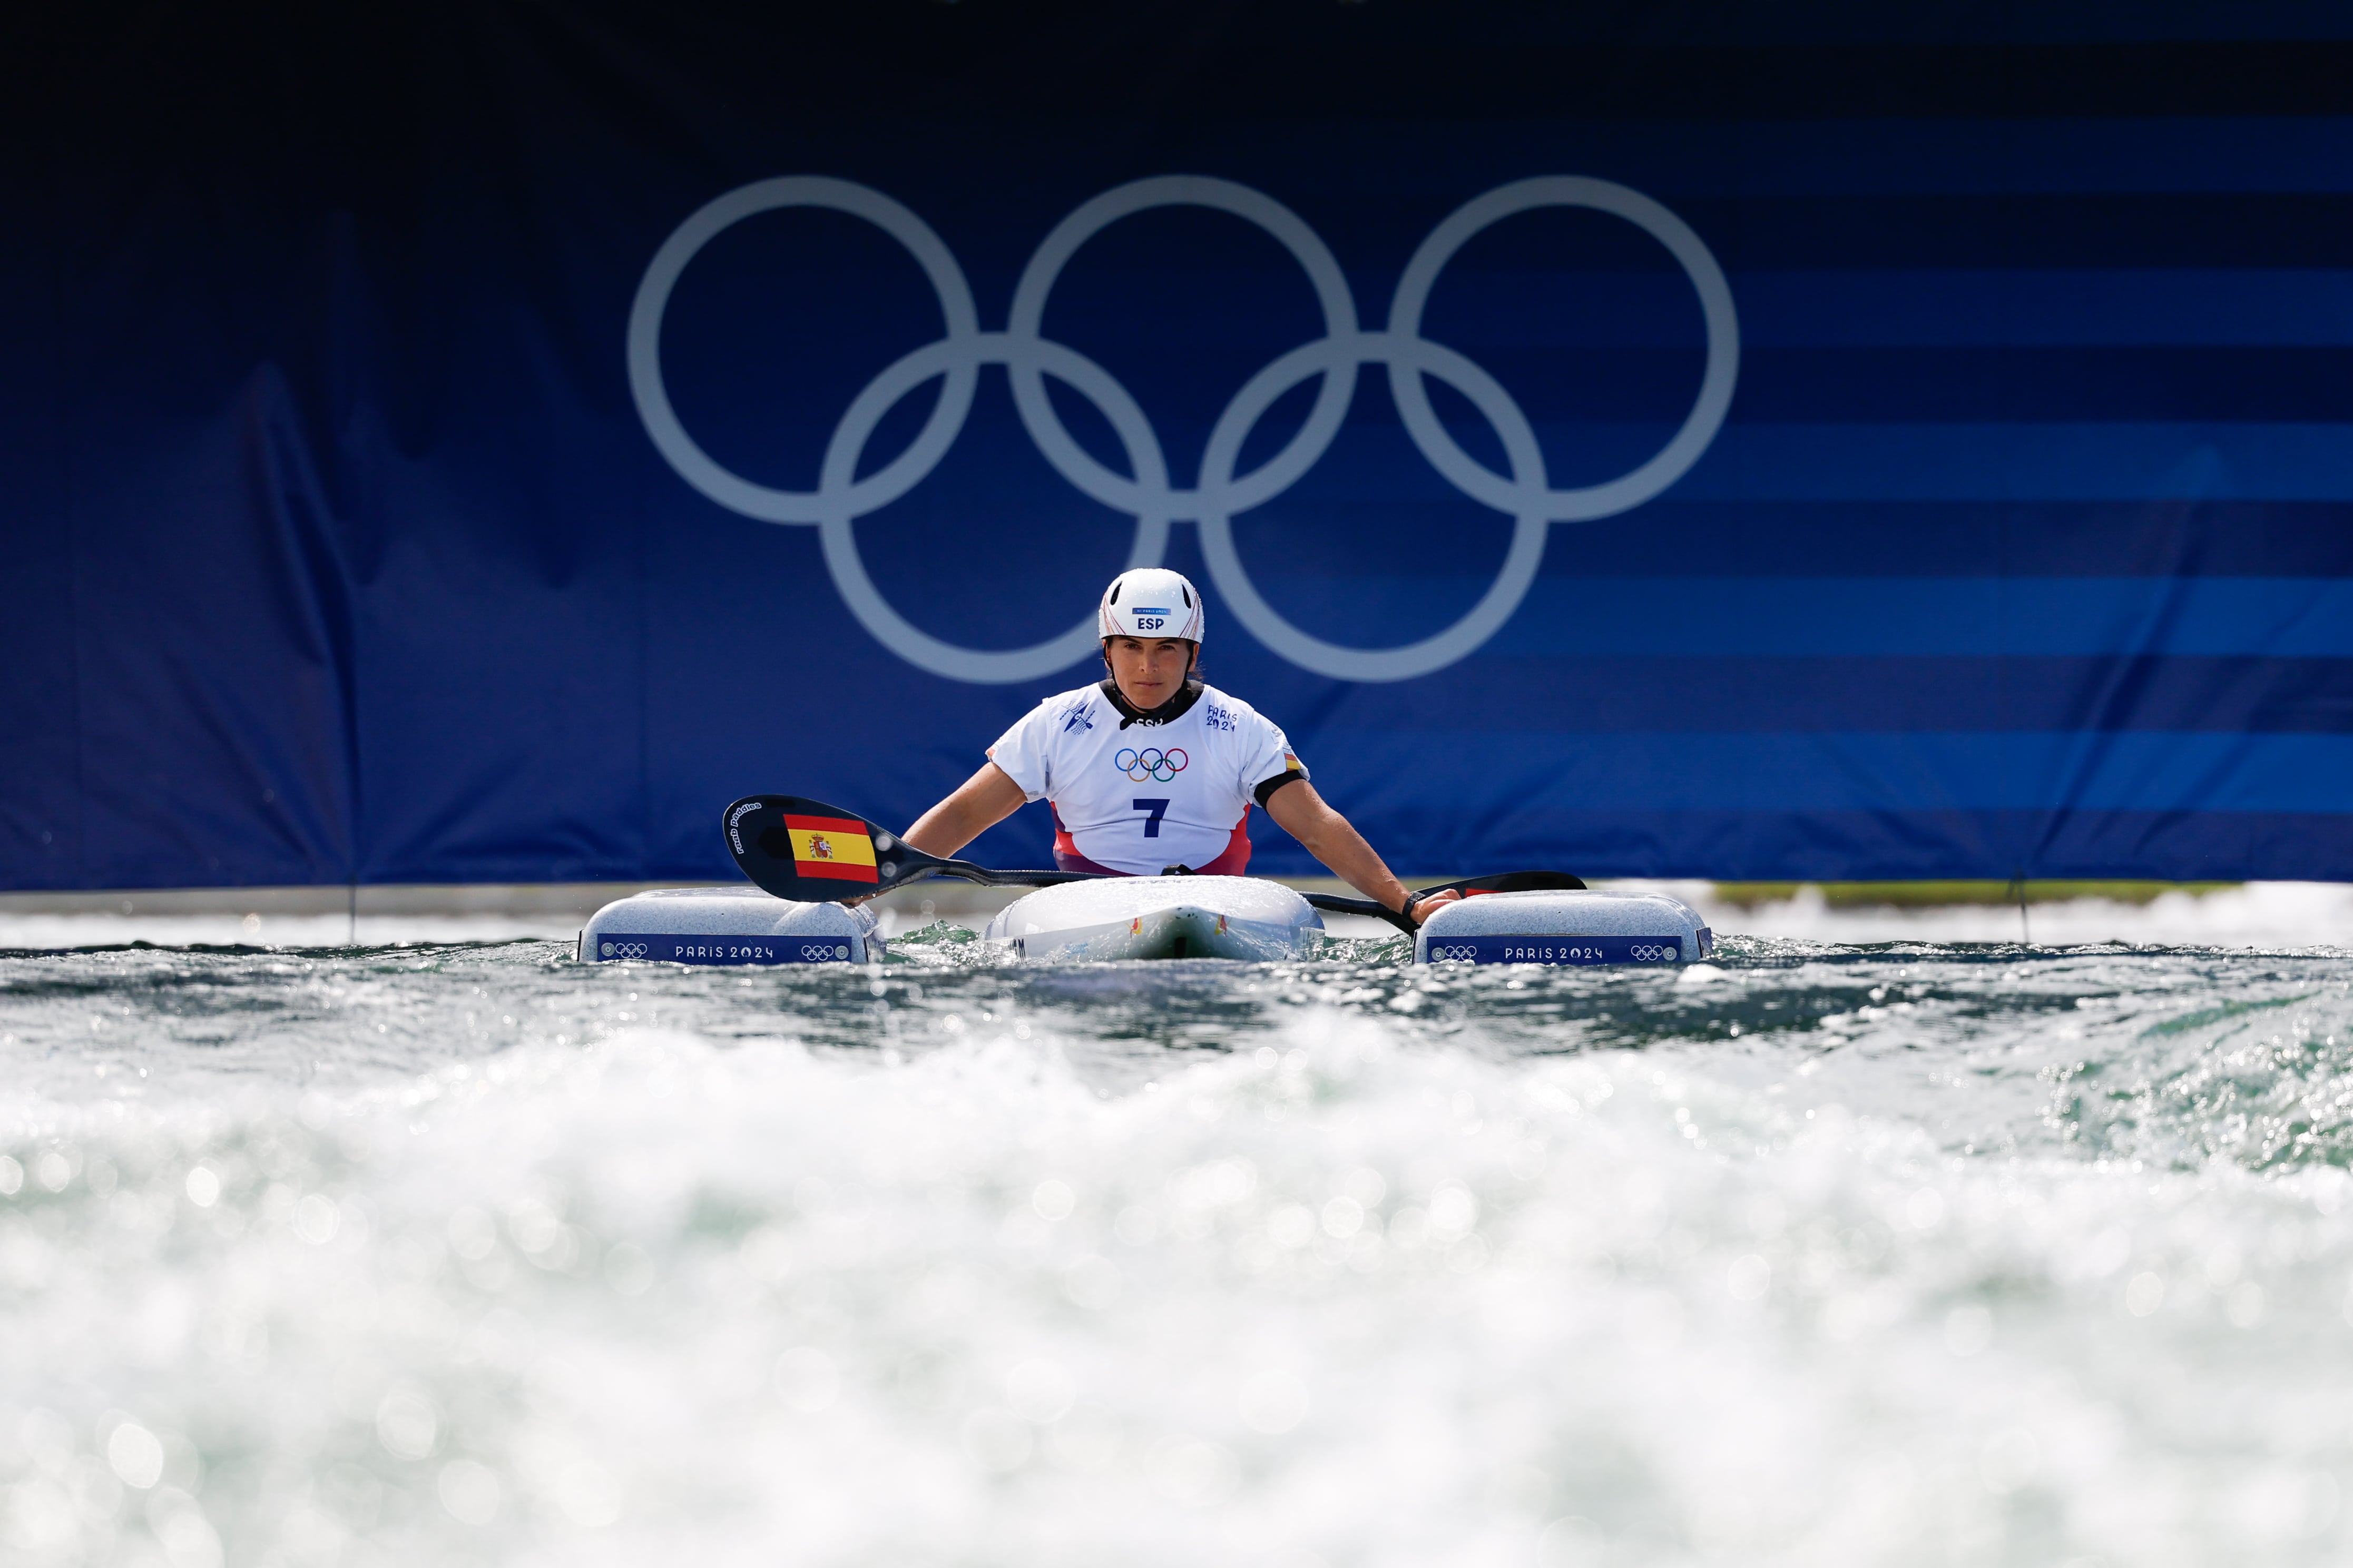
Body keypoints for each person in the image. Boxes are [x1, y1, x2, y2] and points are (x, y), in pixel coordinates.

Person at [899, 568, 1460, 926]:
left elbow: (1315, 826)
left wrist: (1404, 903)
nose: (1148, 666)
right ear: (1106, 650)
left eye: (1167, 648)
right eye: (1132, 647)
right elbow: (966, 810)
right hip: (1085, 911)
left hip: (1214, 909)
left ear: (1192, 654)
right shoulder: (1056, 723)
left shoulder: (1239, 726)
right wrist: (871, 885)